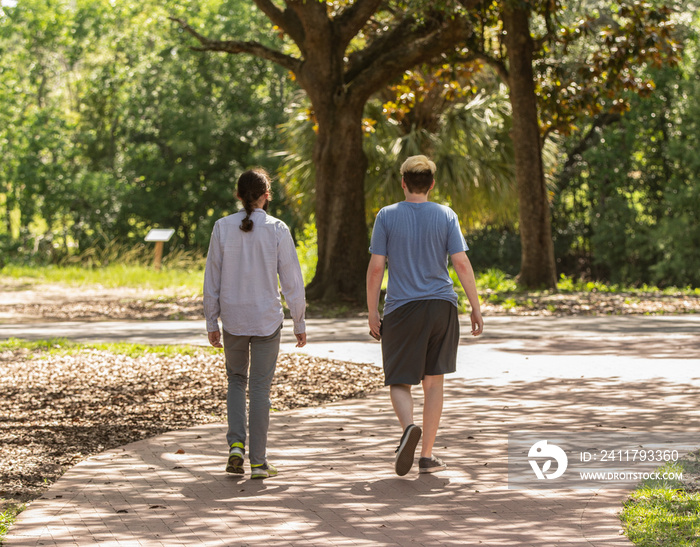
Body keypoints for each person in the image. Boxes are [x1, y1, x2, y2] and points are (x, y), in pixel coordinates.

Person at [366, 155, 484, 476]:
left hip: (402, 308)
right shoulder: (446, 215)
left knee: (400, 381)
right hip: (441, 306)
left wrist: (372, 310)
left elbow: (377, 266)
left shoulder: (386, 216)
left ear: (403, 183)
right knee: (434, 383)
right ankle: (427, 456)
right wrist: (474, 306)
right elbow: (460, 263)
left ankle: (408, 429)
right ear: (432, 184)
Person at [203, 168, 306, 480]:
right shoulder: (277, 229)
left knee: (236, 380)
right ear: (266, 195)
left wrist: (211, 319)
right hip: (266, 318)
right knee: (260, 388)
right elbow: (292, 280)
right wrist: (299, 320)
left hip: (233, 317)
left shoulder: (222, 227)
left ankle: (235, 445)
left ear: (238, 195)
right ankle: (259, 462)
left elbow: (212, 277)